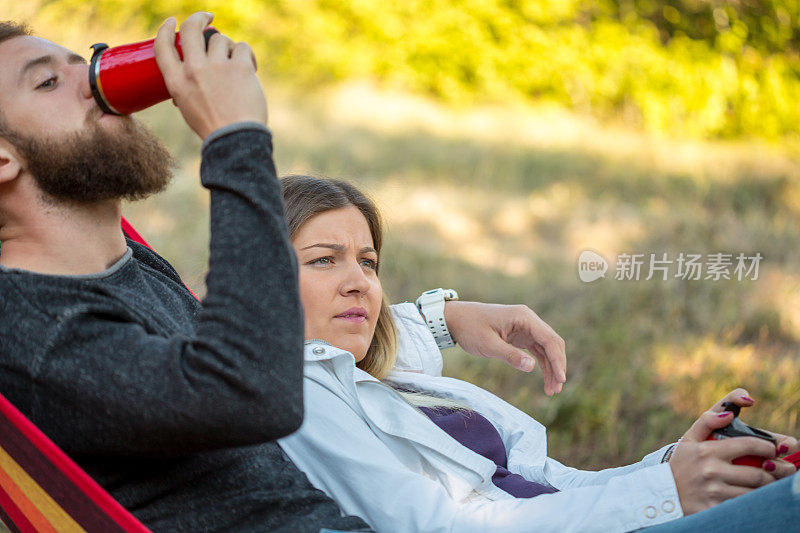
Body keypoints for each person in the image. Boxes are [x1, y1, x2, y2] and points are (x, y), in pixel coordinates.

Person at [0, 13, 569, 532]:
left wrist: (436, 320)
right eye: (48, 82)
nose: (96, 86)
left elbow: (269, 351)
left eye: (89, 64)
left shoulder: (111, 263)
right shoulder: (35, 330)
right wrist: (233, 139)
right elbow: (253, 388)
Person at [276, 174, 800, 533]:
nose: (360, 283)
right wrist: (666, 492)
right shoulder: (301, 396)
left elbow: (552, 486)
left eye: (368, 263)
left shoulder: (389, 379)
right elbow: (438, 527)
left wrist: (675, 463)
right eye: (325, 260)